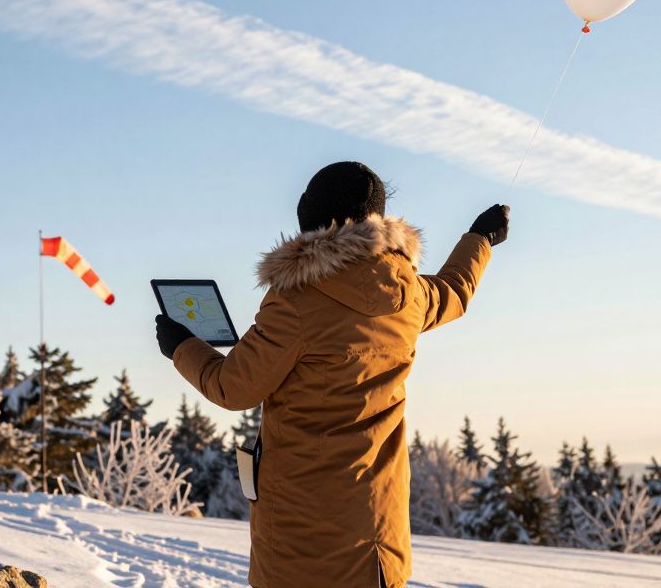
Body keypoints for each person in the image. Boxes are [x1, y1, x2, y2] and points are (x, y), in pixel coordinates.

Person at [155, 161, 508, 588]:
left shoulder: (295, 300)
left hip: (300, 541)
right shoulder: (408, 293)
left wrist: (181, 346)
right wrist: (481, 238)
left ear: (309, 219)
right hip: (377, 537)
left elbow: (233, 386)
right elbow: (454, 290)